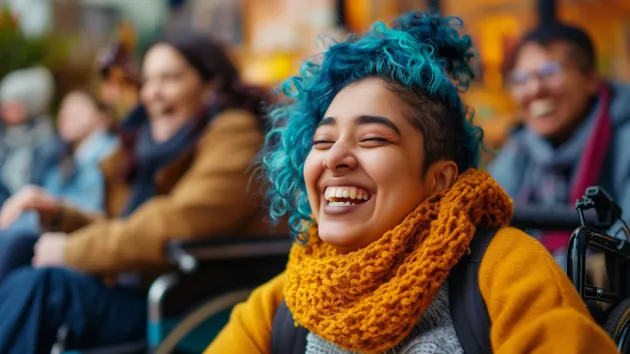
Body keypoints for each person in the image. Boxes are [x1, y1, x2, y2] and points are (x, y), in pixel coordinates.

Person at [206, 12, 618, 353]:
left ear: (440, 178)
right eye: (323, 140)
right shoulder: (283, 302)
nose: (335, 157)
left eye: (372, 138)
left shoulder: (504, 269)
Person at [0, 33, 283, 353]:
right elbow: (125, 226)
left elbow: (175, 222)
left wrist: (70, 250)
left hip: (183, 305)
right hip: (140, 286)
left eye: (170, 78)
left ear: (209, 86)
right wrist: (60, 216)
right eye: (147, 81)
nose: (152, 93)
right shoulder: (149, 148)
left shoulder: (234, 133)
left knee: (44, 287)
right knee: (19, 242)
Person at [489, 23, 630, 274]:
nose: (534, 89)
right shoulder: (520, 148)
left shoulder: (623, 140)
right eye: (521, 79)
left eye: (549, 73)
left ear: (590, 80)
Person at [0, 90, 118, 280]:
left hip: (77, 236)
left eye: (76, 107)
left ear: (101, 117)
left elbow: (96, 209)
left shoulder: (109, 153)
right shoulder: (63, 157)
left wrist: (40, 202)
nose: (66, 113)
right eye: (64, 108)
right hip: (47, 226)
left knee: (14, 239)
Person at [0, 66, 56, 204]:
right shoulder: (5, 133)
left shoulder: (44, 139)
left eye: (12, 105)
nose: (4, 110)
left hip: (22, 203)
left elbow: (36, 184)